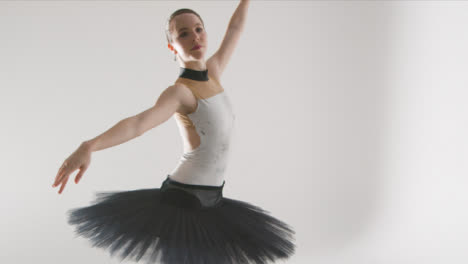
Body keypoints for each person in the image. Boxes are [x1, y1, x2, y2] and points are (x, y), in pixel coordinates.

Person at [52, 1, 296, 263]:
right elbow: (138, 124)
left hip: (214, 200)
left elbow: (235, 29)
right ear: (172, 46)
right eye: (183, 33)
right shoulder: (180, 92)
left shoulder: (213, 73)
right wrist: (89, 146)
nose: (195, 37)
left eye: (199, 29)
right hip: (183, 201)